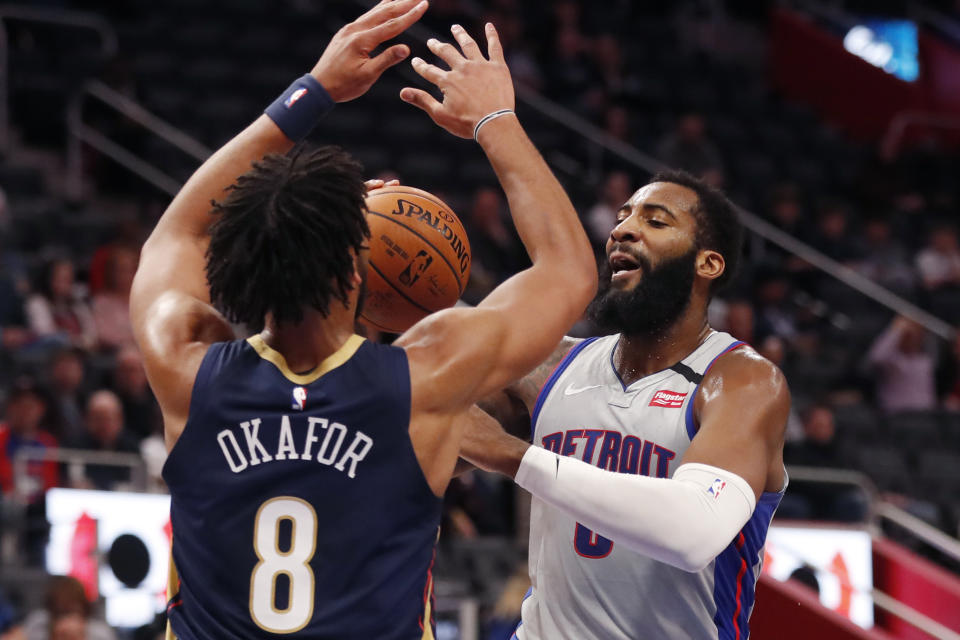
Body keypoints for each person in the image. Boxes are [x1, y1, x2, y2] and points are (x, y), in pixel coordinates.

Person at [129, 3, 595, 639]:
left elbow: (180, 231)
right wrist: (495, 120)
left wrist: (311, 93)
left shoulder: (185, 363)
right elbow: (568, 271)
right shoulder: (425, 378)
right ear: (359, 275)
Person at [457, 169, 790, 639]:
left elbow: (692, 533)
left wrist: (511, 455)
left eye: (656, 221)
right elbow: (413, 444)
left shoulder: (741, 381)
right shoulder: (549, 367)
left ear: (708, 264)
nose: (622, 229)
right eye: (623, 215)